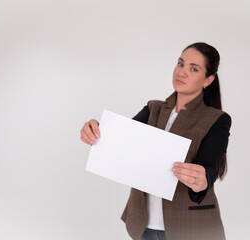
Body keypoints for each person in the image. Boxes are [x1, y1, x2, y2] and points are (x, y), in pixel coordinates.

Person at [80, 42, 231, 240]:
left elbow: (209, 169)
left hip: (191, 227)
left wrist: (201, 181)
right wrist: (95, 130)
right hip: (143, 226)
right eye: (180, 64)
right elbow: (120, 140)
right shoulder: (153, 108)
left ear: (208, 80)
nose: (182, 72)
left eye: (193, 69)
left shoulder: (217, 119)